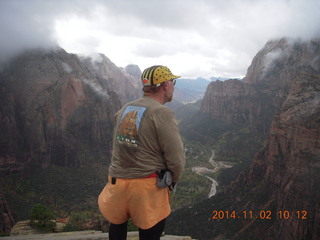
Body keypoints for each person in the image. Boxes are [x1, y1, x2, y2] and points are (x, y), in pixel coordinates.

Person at [98, 65, 185, 240]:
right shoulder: (162, 113)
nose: (174, 86)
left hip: (117, 183)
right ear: (166, 85)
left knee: (117, 227)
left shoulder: (124, 110)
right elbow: (176, 158)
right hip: (146, 188)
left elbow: (117, 147)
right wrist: (173, 179)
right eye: (173, 82)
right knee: (150, 232)